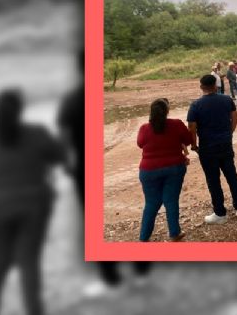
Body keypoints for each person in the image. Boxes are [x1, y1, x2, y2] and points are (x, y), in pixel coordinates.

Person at [57, 54, 151, 299]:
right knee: (134, 213)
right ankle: (141, 270)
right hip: (103, 163)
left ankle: (111, 278)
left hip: (83, 168)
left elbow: (64, 137)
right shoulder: (97, 96)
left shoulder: (71, 100)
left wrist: (68, 164)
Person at [0, 89, 64, 315]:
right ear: (20, 110)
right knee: (28, 263)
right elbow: (59, 155)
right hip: (32, 205)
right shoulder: (37, 134)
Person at [187, 74, 237, 224]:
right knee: (231, 175)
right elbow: (236, 118)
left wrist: (194, 145)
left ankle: (220, 213)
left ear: (201, 87)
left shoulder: (196, 105)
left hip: (207, 148)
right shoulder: (226, 99)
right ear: (215, 85)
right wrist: (228, 133)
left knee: (213, 180)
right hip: (225, 144)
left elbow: (191, 127)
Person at [136, 98, 191, 242]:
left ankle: (144, 237)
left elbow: (140, 144)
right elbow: (189, 139)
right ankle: (174, 233)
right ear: (167, 111)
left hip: (148, 171)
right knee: (171, 200)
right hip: (174, 168)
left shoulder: (144, 128)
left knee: (151, 203)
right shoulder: (177, 124)